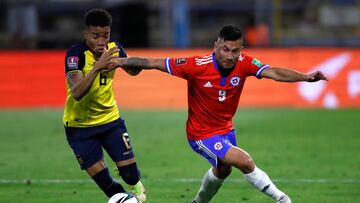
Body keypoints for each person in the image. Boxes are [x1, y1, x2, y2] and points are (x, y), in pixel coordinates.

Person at [105, 25, 328, 203]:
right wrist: (119, 62)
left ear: (241, 49)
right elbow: (151, 62)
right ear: (216, 46)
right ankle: (282, 199)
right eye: (225, 49)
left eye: (235, 50)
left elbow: (275, 72)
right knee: (245, 161)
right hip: (201, 134)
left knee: (223, 171)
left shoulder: (245, 62)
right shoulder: (195, 65)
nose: (230, 56)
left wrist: (307, 77)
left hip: (225, 130)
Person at [63, 8, 146, 202]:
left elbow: (134, 72)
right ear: (85, 34)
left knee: (131, 176)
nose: (101, 41)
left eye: (105, 35)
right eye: (95, 36)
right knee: (108, 185)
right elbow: (76, 92)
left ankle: (135, 186)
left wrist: (121, 61)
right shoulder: (75, 55)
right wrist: (98, 67)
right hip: (80, 127)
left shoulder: (113, 48)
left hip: (110, 121)